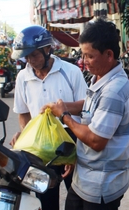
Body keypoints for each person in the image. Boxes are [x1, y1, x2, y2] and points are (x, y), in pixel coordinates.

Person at [41, 19, 129, 210]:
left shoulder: (114, 91)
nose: (83, 62)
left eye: (89, 56)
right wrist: (63, 106)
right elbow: (92, 106)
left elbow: (96, 141)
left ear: (109, 55)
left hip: (101, 184)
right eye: (83, 55)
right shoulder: (101, 77)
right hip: (85, 177)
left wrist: (65, 116)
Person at [10, 25, 87, 210]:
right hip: (40, 147)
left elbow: (85, 108)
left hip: (70, 142)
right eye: (26, 57)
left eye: (34, 55)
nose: (30, 61)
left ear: (47, 49)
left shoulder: (70, 72)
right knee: (45, 200)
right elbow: (23, 114)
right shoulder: (23, 77)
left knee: (77, 199)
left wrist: (75, 154)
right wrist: (24, 135)